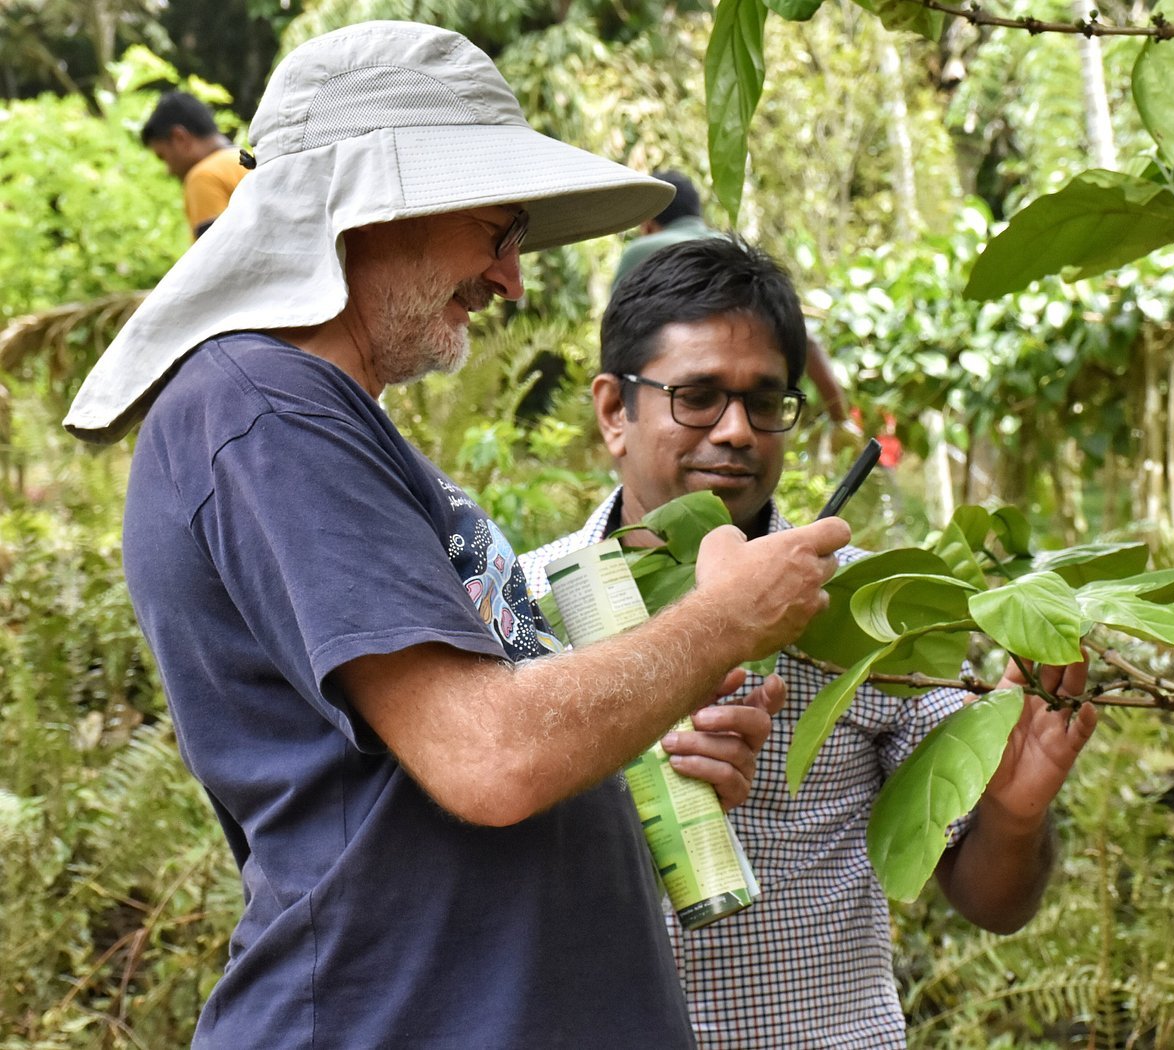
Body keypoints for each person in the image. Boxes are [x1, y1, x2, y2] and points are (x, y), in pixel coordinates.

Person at [65, 23, 853, 1049]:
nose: (512, 282)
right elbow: (487, 758)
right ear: (371, 207)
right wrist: (719, 622)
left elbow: (452, 748)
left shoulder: (319, 421)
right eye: (498, 231)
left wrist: (646, 729)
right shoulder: (261, 410)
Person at [520, 236, 1098, 1049]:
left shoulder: (873, 606)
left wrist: (1012, 808)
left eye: (766, 401)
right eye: (697, 397)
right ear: (616, 411)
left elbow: (993, 901)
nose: (736, 432)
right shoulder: (521, 606)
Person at [611, 169, 853, 431]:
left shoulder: (640, 252)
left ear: (647, 224)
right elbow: (806, 341)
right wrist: (841, 419)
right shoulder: (735, 249)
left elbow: (617, 340)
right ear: (697, 213)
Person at [141, 91, 248, 239]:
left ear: (180, 138)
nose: (168, 170)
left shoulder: (204, 177)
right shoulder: (246, 160)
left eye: (163, 157)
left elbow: (216, 255)